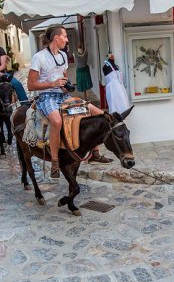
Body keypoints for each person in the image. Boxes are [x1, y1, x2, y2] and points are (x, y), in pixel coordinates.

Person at [27, 24, 112, 179]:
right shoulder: (39, 57)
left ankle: (95, 152)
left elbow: (64, 77)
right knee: (57, 121)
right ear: (56, 38)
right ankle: (55, 162)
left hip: (62, 95)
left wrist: (67, 86)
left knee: (96, 112)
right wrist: (52, 84)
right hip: (46, 97)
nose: (67, 40)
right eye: (65, 36)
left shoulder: (63, 56)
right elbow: (31, 85)